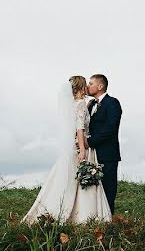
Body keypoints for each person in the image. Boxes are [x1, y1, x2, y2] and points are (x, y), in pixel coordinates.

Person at [21, 76, 111, 225]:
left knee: (71, 179)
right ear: (81, 87)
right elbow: (80, 128)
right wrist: (83, 149)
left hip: (72, 146)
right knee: (84, 181)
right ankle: (84, 215)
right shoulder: (81, 104)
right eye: (87, 84)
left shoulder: (73, 105)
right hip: (83, 147)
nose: (88, 86)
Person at [86, 73, 122, 215]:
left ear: (100, 86)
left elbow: (111, 128)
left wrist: (90, 142)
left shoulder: (112, 103)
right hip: (92, 155)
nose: (88, 87)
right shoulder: (89, 106)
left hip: (107, 154)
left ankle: (108, 221)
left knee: (108, 189)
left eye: (91, 84)